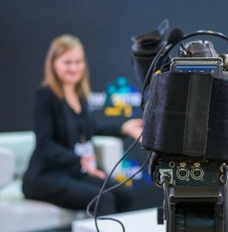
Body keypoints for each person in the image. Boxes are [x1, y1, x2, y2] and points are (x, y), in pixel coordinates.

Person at [22, 34, 143, 216]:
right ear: (54, 63)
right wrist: (80, 161)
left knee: (124, 195)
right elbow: (45, 143)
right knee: (103, 199)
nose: (74, 68)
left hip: (73, 171)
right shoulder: (45, 95)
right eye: (67, 62)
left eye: (78, 62)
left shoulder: (79, 94)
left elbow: (91, 128)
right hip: (46, 176)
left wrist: (123, 128)